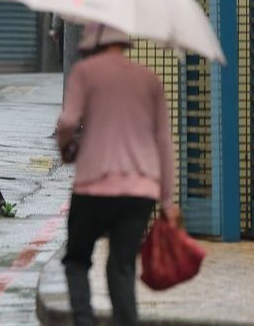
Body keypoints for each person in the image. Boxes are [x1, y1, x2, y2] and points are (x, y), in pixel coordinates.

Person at [56, 23, 181, 326]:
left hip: (93, 188)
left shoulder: (85, 73)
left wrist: (66, 149)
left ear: (93, 43)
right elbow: (163, 141)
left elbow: (67, 123)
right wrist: (167, 201)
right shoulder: (149, 79)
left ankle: (85, 321)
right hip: (139, 192)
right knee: (121, 267)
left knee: (76, 260)